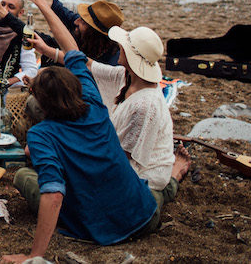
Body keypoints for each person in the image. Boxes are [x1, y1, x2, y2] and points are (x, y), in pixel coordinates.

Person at [0, 0, 160, 263]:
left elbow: (54, 194)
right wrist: (41, 3)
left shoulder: (41, 135)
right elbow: (71, 48)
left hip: (101, 230)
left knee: (24, 177)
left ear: (40, 105)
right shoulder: (94, 99)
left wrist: (34, 256)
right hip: (146, 217)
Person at [27, 13, 190, 214]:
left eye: (124, 46)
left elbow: (120, 160)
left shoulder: (145, 106)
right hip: (111, 153)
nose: (119, 47)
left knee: (37, 180)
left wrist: (70, 154)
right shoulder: (126, 76)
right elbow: (86, 65)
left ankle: (173, 179)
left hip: (136, 179)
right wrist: (46, 50)